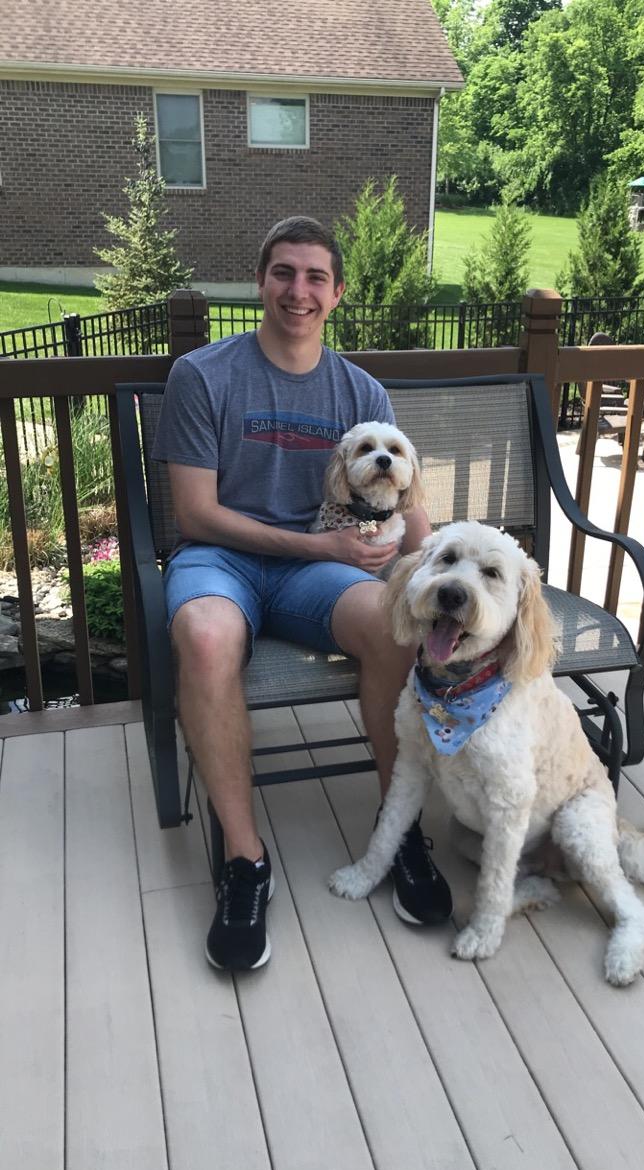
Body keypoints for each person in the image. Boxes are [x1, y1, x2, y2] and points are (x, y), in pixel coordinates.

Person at [152, 215, 452, 972]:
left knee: (393, 628)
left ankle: (399, 830)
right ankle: (246, 863)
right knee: (208, 637)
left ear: (338, 293)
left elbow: (412, 508)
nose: (299, 290)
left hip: (318, 574)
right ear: (260, 283)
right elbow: (194, 512)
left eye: (316, 277)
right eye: (284, 272)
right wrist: (321, 545)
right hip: (220, 560)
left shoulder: (359, 389)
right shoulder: (204, 375)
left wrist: (454, 571)